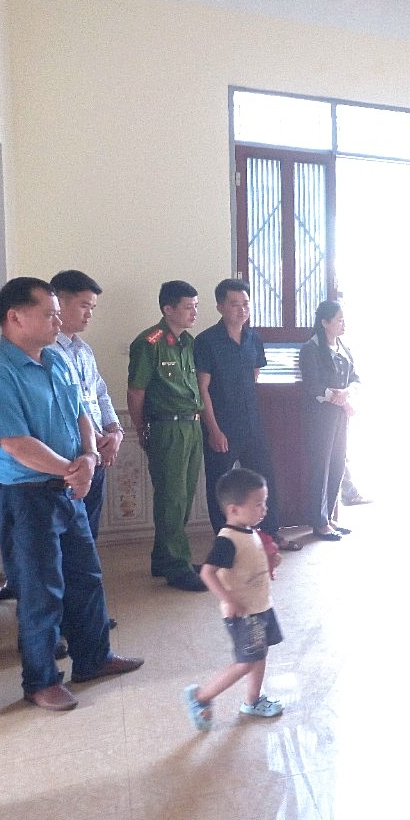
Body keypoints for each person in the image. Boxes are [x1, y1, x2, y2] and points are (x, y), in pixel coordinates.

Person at [0, 277, 143, 711]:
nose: (58, 321)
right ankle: (40, 681)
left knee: (86, 578)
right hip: (23, 498)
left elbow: (82, 411)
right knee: (40, 591)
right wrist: (74, 469)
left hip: (66, 489)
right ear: (15, 317)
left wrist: (89, 456)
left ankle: (93, 658)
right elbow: (15, 443)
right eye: (49, 314)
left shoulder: (56, 360)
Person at [193, 278, 300, 551]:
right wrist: (214, 430)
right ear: (220, 307)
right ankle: (226, 542)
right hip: (222, 426)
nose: (241, 309)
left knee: (264, 478)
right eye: (234, 304)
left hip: (252, 424)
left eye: (245, 304)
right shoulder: (206, 341)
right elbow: (202, 389)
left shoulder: (253, 338)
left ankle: (269, 534)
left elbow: (253, 376)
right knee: (220, 486)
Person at [182, 468, 285, 730]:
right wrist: (228, 600)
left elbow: (247, 566)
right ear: (234, 509)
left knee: (260, 653)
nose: (264, 509)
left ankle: (253, 700)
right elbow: (207, 573)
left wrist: (270, 562)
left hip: (261, 607)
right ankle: (200, 697)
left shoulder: (250, 531)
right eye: (258, 504)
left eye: (265, 502)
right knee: (245, 662)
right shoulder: (227, 540)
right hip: (243, 614)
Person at [49, 270, 122, 635]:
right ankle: (65, 621)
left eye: (92, 307)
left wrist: (115, 431)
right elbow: (65, 408)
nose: (89, 314)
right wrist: (93, 441)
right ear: (59, 302)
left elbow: (99, 394)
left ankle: (86, 617)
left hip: (95, 457)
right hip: (71, 461)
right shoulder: (47, 352)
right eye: (83, 305)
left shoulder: (82, 349)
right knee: (66, 546)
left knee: (88, 541)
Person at [127, 279, 206, 592]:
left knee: (183, 496)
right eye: (188, 307)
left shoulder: (188, 342)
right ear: (168, 309)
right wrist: (140, 429)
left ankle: (164, 557)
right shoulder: (149, 342)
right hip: (167, 427)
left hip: (192, 425)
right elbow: (136, 392)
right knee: (171, 498)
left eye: (196, 307)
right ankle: (177, 565)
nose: (194, 313)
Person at [299, 300, 359, 541]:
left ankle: (329, 516)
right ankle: (319, 521)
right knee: (321, 466)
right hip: (321, 415)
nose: (343, 324)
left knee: (338, 462)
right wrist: (338, 398)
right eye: (339, 320)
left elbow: (355, 378)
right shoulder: (311, 348)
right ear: (324, 322)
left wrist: (348, 394)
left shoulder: (343, 347)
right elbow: (313, 385)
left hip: (340, 414)